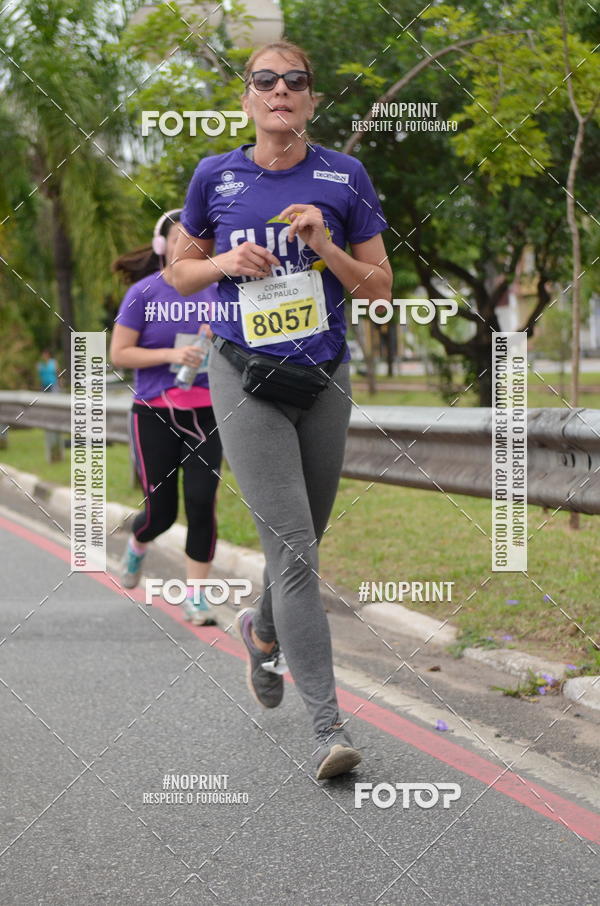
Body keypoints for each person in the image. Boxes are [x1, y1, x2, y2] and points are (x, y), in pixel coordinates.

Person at [168, 41, 392, 778]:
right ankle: (329, 730)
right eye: (266, 80)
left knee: (303, 539)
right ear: (248, 98)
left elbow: (379, 291)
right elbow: (181, 271)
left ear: (311, 100)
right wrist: (225, 263)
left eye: (295, 81)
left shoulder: (343, 176)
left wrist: (325, 244)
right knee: (297, 551)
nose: (281, 91)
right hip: (243, 375)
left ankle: (260, 634)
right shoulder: (215, 176)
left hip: (322, 377)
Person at [110, 209, 223, 626]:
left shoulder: (218, 291)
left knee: (201, 500)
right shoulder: (143, 293)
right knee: (161, 512)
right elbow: (119, 354)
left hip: (208, 410)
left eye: (199, 238)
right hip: (154, 412)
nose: (191, 244)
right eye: (182, 237)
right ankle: (139, 542)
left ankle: (196, 597)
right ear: (163, 246)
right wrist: (172, 354)